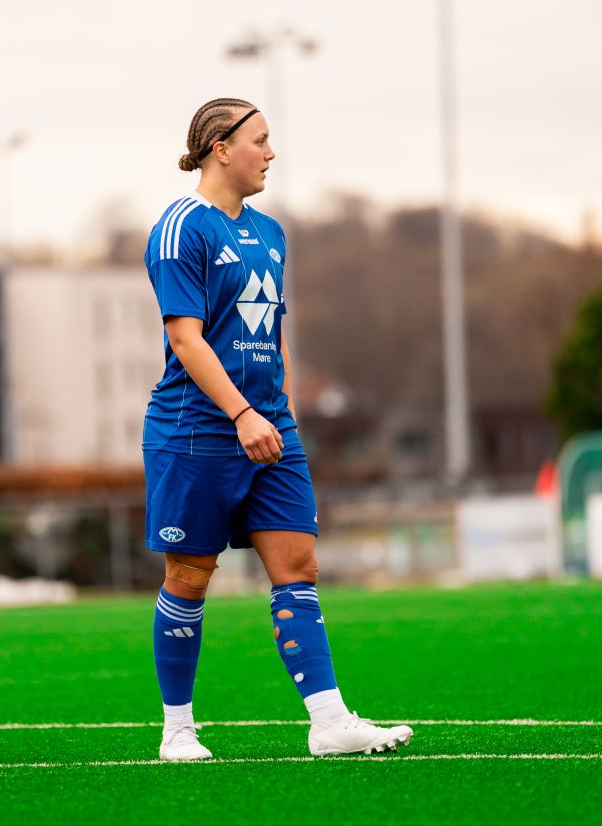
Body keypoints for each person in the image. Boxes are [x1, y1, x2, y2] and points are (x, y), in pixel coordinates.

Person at [141, 97, 412, 760]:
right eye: (260, 140)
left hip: (270, 428)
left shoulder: (271, 233)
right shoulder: (180, 228)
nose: (271, 152)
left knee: (298, 564)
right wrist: (240, 413)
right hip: (197, 432)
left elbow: (273, 332)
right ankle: (177, 730)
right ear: (219, 147)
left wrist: (276, 408)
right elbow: (186, 337)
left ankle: (328, 721)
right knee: (191, 573)